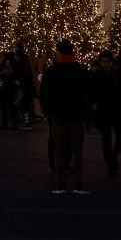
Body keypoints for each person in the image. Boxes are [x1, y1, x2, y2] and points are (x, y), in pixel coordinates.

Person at [39, 40, 91, 195]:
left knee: (59, 150)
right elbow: (89, 92)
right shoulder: (81, 70)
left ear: (59, 53)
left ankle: (59, 184)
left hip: (58, 114)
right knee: (77, 151)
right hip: (76, 115)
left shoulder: (52, 71)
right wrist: (86, 111)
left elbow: (43, 94)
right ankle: (78, 184)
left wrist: (47, 111)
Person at [91, 51, 121, 175]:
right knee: (106, 138)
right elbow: (92, 90)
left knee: (120, 136)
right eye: (103, 62)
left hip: (116, 110)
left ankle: (113, 156)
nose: (105, 64)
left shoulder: (116, 75)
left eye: (107, 62)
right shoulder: (97, 75)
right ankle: (110, 161)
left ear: (111, 63)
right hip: (104, 111)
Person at [0, 54, 20, 131]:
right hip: (5, 89)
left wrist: (11, 73)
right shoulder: (3, 68)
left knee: (11, 108)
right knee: (5, 108)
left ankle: (12, 124)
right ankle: (6, 124)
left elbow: (15, 76)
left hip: (9, 89)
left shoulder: (12, 67)